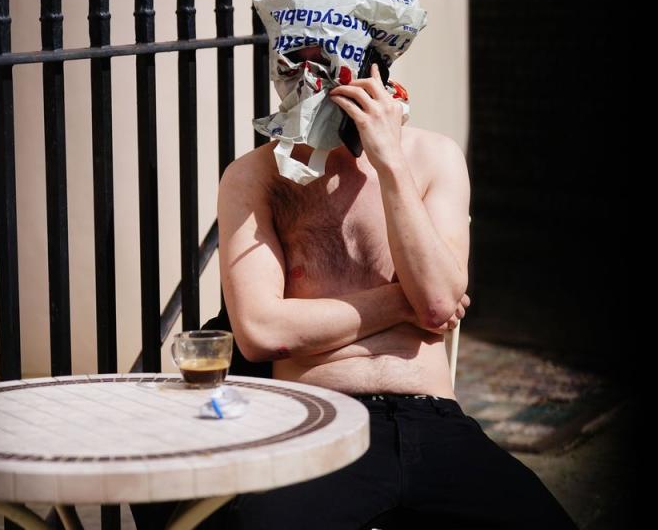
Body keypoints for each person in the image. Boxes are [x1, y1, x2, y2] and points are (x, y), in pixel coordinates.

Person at [199, 58, 580, 529]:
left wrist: (389, 159)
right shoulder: (257, 175)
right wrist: (404, 302)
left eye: (325, 58)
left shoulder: (433, 157)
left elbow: (438, 302)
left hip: (434, 419)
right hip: (318, 418)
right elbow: (261, 333)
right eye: (293, 57)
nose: (306, 73)